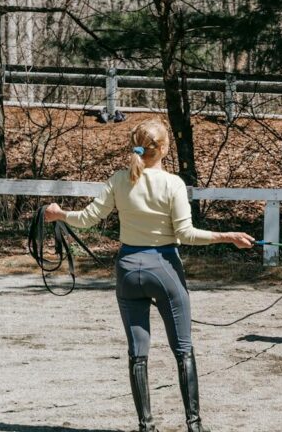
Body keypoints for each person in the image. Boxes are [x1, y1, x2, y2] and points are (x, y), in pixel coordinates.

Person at [44, 119, 254, 432]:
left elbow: (88, 218)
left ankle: (146, 426)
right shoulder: (174, 184)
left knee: (137, 353)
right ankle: (194, 425)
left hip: (129, 270)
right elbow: (185, 233)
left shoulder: (118, 179)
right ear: (165, 148)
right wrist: (228, 236)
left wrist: (59, 214)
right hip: (164, 268)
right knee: (183, 349)